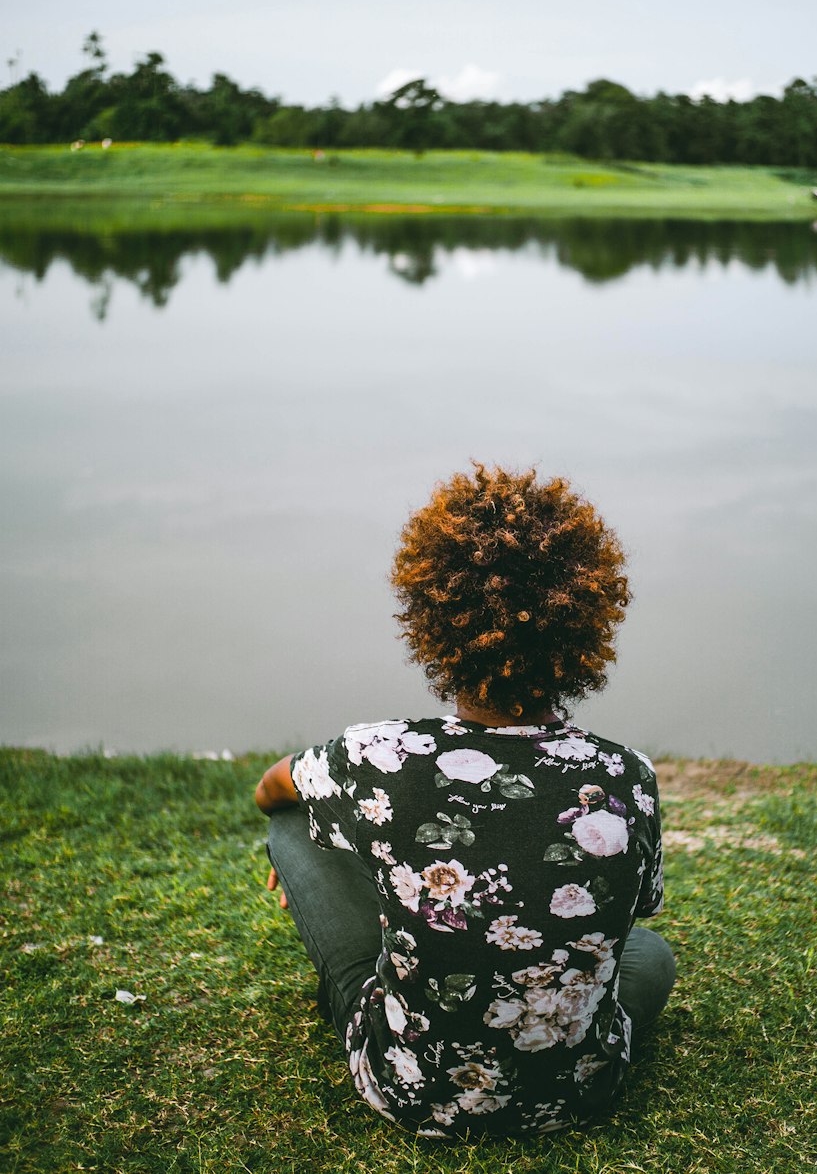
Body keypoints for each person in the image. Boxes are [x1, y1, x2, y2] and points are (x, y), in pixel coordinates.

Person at [255, 464, 675, 1137]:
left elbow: (270, 788)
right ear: (581, 629)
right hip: (580, 1091)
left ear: (432, 619)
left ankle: (369, 999)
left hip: (412, 1091)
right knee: (651, 954)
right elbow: (636, 912)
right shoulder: (626, 774)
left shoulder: (377, 756)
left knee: (290, 816)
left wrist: (324, 828)